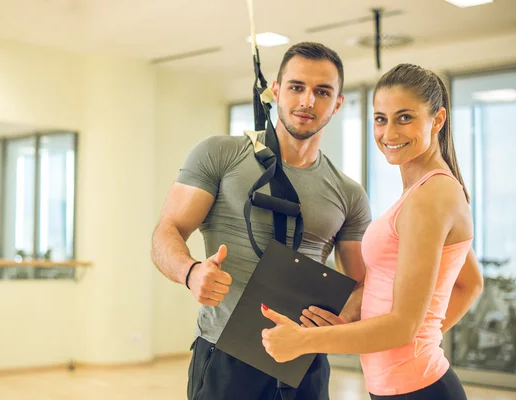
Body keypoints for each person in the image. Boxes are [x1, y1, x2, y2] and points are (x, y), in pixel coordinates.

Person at [151, 42, 371, 400]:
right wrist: (190, 272)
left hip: (305, 360)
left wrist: (344, 317)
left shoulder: (349, 194)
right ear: (276, 90)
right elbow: (166, 231)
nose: (307, 102)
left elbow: (362, 284)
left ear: (338, 103)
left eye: (322, 92)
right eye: (297, 87)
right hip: (227, 355)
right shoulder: (220, 154)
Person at [260, 63, 485, 399]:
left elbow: (402, 326)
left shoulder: (430, 197)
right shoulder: (425, 192)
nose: (389, 133)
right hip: (405, 384)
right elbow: (470, 283)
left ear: (437, 120)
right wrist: (410, 340)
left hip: (418, 390)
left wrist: (302, 341)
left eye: (405, 117)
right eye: (381, 119)